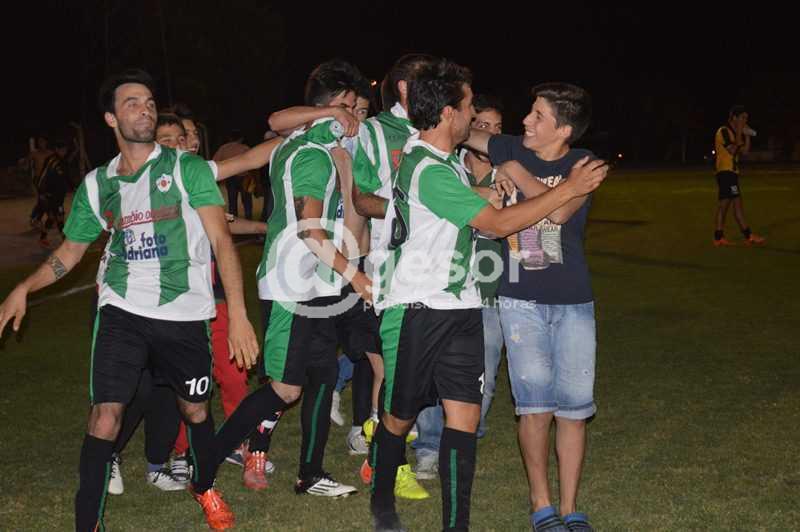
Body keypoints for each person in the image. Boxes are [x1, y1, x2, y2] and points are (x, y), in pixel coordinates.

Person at [0, 68, 260, 531]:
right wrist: (25, 287)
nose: (145, 109)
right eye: (132, 103)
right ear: (110, 118)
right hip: (122, 309)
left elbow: (221, 241)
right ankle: (88, 524)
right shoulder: (97, 184)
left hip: (185, 312)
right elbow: (70, 252)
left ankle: (203, 486)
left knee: (196, 409)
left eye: (149, 102)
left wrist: (237, 315)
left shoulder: (186, 168)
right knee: (105, 416)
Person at [369, 60, 608, 532]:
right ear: (448, 114)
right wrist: (563, 188)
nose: (474, 117)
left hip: (462, 306)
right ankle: (382, 503)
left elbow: (474, 209)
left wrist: (491, 188)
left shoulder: (447, 164)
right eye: (468, 108)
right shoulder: (426, 167)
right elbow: (496, 225)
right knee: (399, 416)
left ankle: (456, 525)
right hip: (418, 307)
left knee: (463, 419)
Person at [212, 59, 370, 498]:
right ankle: (219, 456)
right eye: (348, 107)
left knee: (320, 377)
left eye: (356, 108)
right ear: (330, 107)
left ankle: (311, 474)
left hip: (321, 280)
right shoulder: (306, 149)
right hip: (292, 285)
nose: (354, 117)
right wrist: (356, 275)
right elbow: (309, 229)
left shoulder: (330, 148)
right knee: (283, 386)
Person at [466, 82, 607, 532]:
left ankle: (571, 506)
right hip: (520, 300)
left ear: (563, 129)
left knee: (574, 409)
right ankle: (541, 504)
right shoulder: (510, 146)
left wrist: (513, 171)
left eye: (538, 115)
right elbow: (459, 129)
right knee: (535, 406)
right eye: (529, 112)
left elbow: (560, 214)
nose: (525, 120)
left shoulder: (583, 163)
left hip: (574, 302)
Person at [712, 105, 766, 247]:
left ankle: (748, 236)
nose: (745, 120)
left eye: (746, 118)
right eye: (743, 118)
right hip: (725, 172)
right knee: (725, 205)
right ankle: (719, 237)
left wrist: (746, 135)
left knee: (737, 205)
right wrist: (739, 133)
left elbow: (745, 151)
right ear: (734, 118)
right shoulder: (724, 131)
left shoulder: (735, 133)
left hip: (732, 173)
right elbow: (732, 150)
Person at [36, 140, 71, 246]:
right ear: (56, 149)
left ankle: (43, 238)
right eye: (62, 149)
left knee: (52, 217)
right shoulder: (51, 160)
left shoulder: (63, 161)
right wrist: (41, 192)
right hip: (50, 194)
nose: (64, 151)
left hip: (59, 194)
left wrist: (72, 186)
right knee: (59, 216)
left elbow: (66, 176)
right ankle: (64, 239)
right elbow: (42, 177)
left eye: (65, 150)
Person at [214, 130, 254, 219]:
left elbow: (215, 161)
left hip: (230, 177)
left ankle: (234, 221)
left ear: (230, 138)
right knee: (247, 201)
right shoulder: (245, 148)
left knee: (232, 202)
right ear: (241, 138)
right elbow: (253, 163)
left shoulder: (223, 148)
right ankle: (249, 219)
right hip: (244, 177)